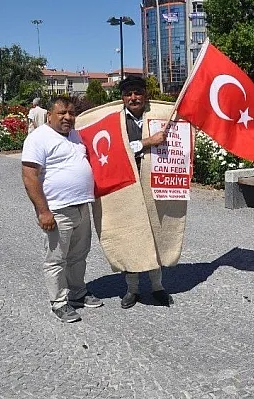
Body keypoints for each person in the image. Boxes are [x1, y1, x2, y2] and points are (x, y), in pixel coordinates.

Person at [21, 97, 103, 323]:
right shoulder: (38, 138)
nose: (68, 117)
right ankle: (58, 301)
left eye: (71, 113)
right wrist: (43, 211)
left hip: (81, 206)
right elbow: (30, 176)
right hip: (57, 209)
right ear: (49, 115)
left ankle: (77, 293)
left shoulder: (76, 136)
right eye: (62, 113)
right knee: (56, 259)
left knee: (79, 255)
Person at [117, 75, 172, 309]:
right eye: (129, 94)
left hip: (153, 183)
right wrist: (148, 142)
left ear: (145, 95)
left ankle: (157, 286)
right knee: (130, 235)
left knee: (155, 232)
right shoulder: (115, 121)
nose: (133, 98)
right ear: (122, 98)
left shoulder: (157, 117)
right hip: (126, 185)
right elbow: (118, 150)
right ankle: (132, 289)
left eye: (137, 93)